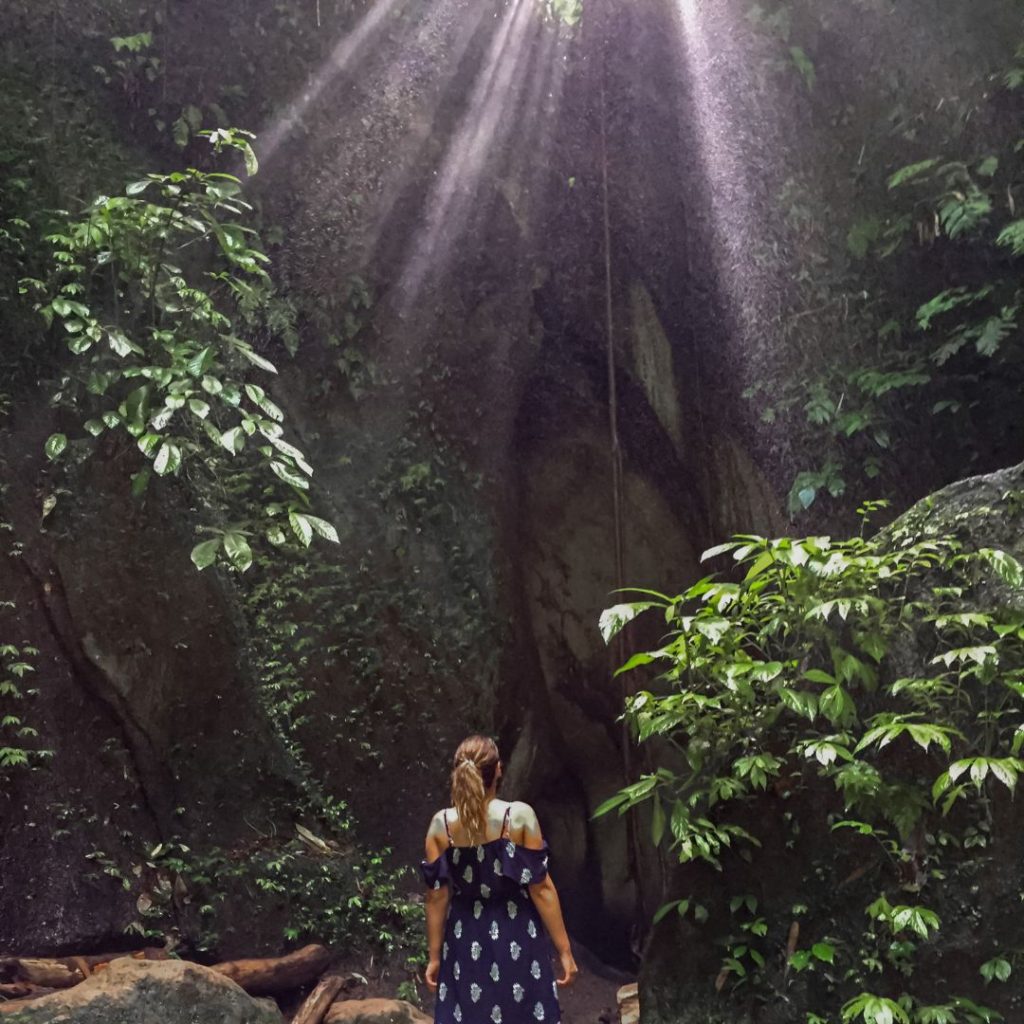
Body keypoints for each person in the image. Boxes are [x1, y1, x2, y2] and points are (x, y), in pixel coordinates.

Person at [421, 735, 579, 1024]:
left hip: (464, 934)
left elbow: (436, 896)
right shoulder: (519, 817)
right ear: (497, 770)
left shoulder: (440, 825)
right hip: (517, 929)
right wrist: (564, 950)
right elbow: (541, 888)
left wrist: (434, 956)